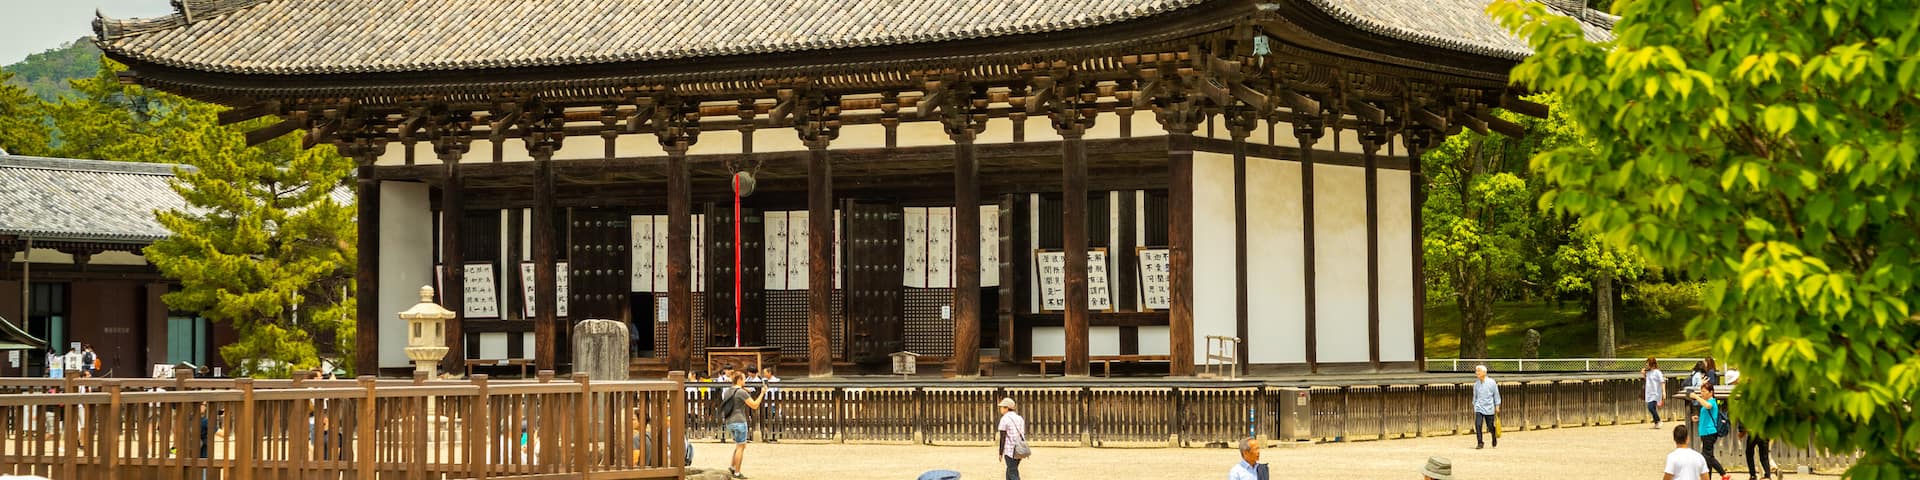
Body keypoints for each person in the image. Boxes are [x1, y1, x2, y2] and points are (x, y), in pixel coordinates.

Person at [719, 366, 765, 479]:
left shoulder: (728, 391)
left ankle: (732, 466)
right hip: (739, 421)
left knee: (739, 445)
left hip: (729, 421)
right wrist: (762, 393)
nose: (745, 381)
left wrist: (744, 389)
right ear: (739, 380)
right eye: (744, 379)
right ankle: (737, 472)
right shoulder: (741, 392)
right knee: (741, 447)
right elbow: (754, 405)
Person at [1688, 382, 1728, 480]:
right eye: (1701, 391)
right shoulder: (1706, 402)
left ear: (1711, 392)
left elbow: (1708, 406)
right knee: (1707, 457)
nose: (1702, 393)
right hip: (1705, 432)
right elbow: (1707, 415)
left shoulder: (1712, 402)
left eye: (1704, 391)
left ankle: (1723, 474)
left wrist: (1696, 397)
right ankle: (1708, 477)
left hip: (1709, 432)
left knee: (1707, 456)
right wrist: (1699, 418)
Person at [996, 397, 1028, 480]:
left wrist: (1000, 453)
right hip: (1020, 449)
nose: (1000, 409)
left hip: (1010, 450)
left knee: (1013, 473)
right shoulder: (1020, 418)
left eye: (1002, 407)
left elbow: (1002, 437)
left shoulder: (1004, 419)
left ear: (1007, 408)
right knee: (1010, 469)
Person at [1471, 365, 1501, 449]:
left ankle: (1493, 436)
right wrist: (1474, 405)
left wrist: (1497, 405)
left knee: (1490, 426)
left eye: (1478, 371)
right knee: (1478, 424)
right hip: (1479, 407)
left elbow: (1496, 395)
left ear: (1484, 372)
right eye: (1476, 371)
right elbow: (1475, 396)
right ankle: (1480, 442)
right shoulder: (1476, 384)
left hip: (1489, 407)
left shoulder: (1492, 382)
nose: (1477, 373)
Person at [758, 368, 782, 443]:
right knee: (764, 419)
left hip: (773, 403)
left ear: (769, 372)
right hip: (764, 402)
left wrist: (779, 403)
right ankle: (766, 435)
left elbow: (778, 392)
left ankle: (773, 436)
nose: (764, 374)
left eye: (765, 372)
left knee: (771, 419)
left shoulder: (776, 381)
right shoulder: (763, 380)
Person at [1643, 357, 1667, 428]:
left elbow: (1662, 382)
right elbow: (1647, 380)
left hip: (1656, 393)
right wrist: (1643, 374)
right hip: (1649, 392)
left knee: (1650, 407)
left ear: (1652, 364)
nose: (1647, 365)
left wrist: (1664, 392)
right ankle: (1656, 423)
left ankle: (1659, 421)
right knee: (1652, 407)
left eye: (1648, 363)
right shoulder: (1648, 372)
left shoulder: (1657, 372)